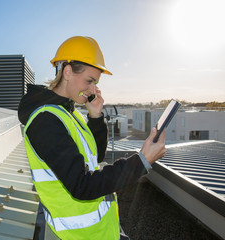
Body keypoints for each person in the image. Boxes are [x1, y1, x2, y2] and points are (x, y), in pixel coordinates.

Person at [18, 36, 166, 240]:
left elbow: (94, 158)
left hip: (99, 231)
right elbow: (82, 185)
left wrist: (95, 117)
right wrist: (141, 162)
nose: (92, 90)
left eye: (95, 83)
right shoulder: (45, 120)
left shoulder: (68, 112)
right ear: (67, 71)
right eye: (89, 81)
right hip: (78, 235)